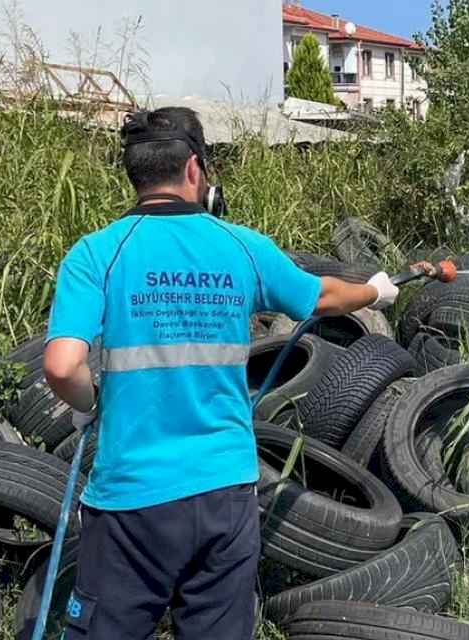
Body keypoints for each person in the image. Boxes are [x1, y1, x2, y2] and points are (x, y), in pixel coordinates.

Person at [42, 106, 401, 639]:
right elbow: (323, 295)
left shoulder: (97, 254)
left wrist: (87, 403)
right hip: (224, 492)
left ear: (134, 174)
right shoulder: (242, 247)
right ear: (194, 169)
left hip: (132, 498)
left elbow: (62, 364)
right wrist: (376, 290)